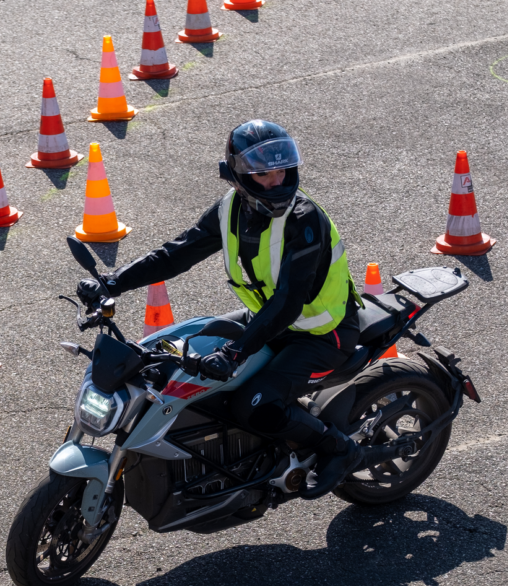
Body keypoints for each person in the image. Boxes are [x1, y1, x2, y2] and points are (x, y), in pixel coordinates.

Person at [77, 120, 366, 498]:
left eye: (281, 170)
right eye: (263, 174)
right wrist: (111, 283)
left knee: (253, 404)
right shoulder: (229, 210)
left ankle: (340, 450)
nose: (276, 181)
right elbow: (175, 254)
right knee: (170, 355)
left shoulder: (303, 220)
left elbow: (289, 301)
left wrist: (235, 352)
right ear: (237, 176)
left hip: (323, 334)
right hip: (269, 323)